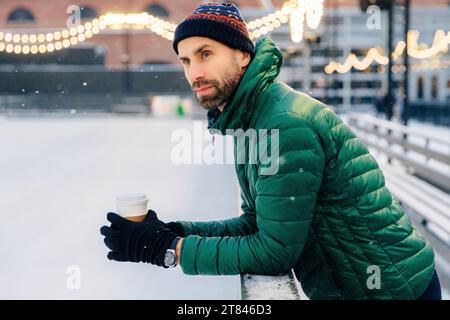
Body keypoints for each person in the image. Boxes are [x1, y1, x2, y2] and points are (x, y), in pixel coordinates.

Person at [100, 2, 441, 300]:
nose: (195, 72)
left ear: (243, 55)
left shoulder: (284, 125)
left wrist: (168, 251)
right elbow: (256, 223)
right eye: (186, 60)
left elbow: (274, 251)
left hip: (392, 289)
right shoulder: (250, 118)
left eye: (206, 54)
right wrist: (174, 232)